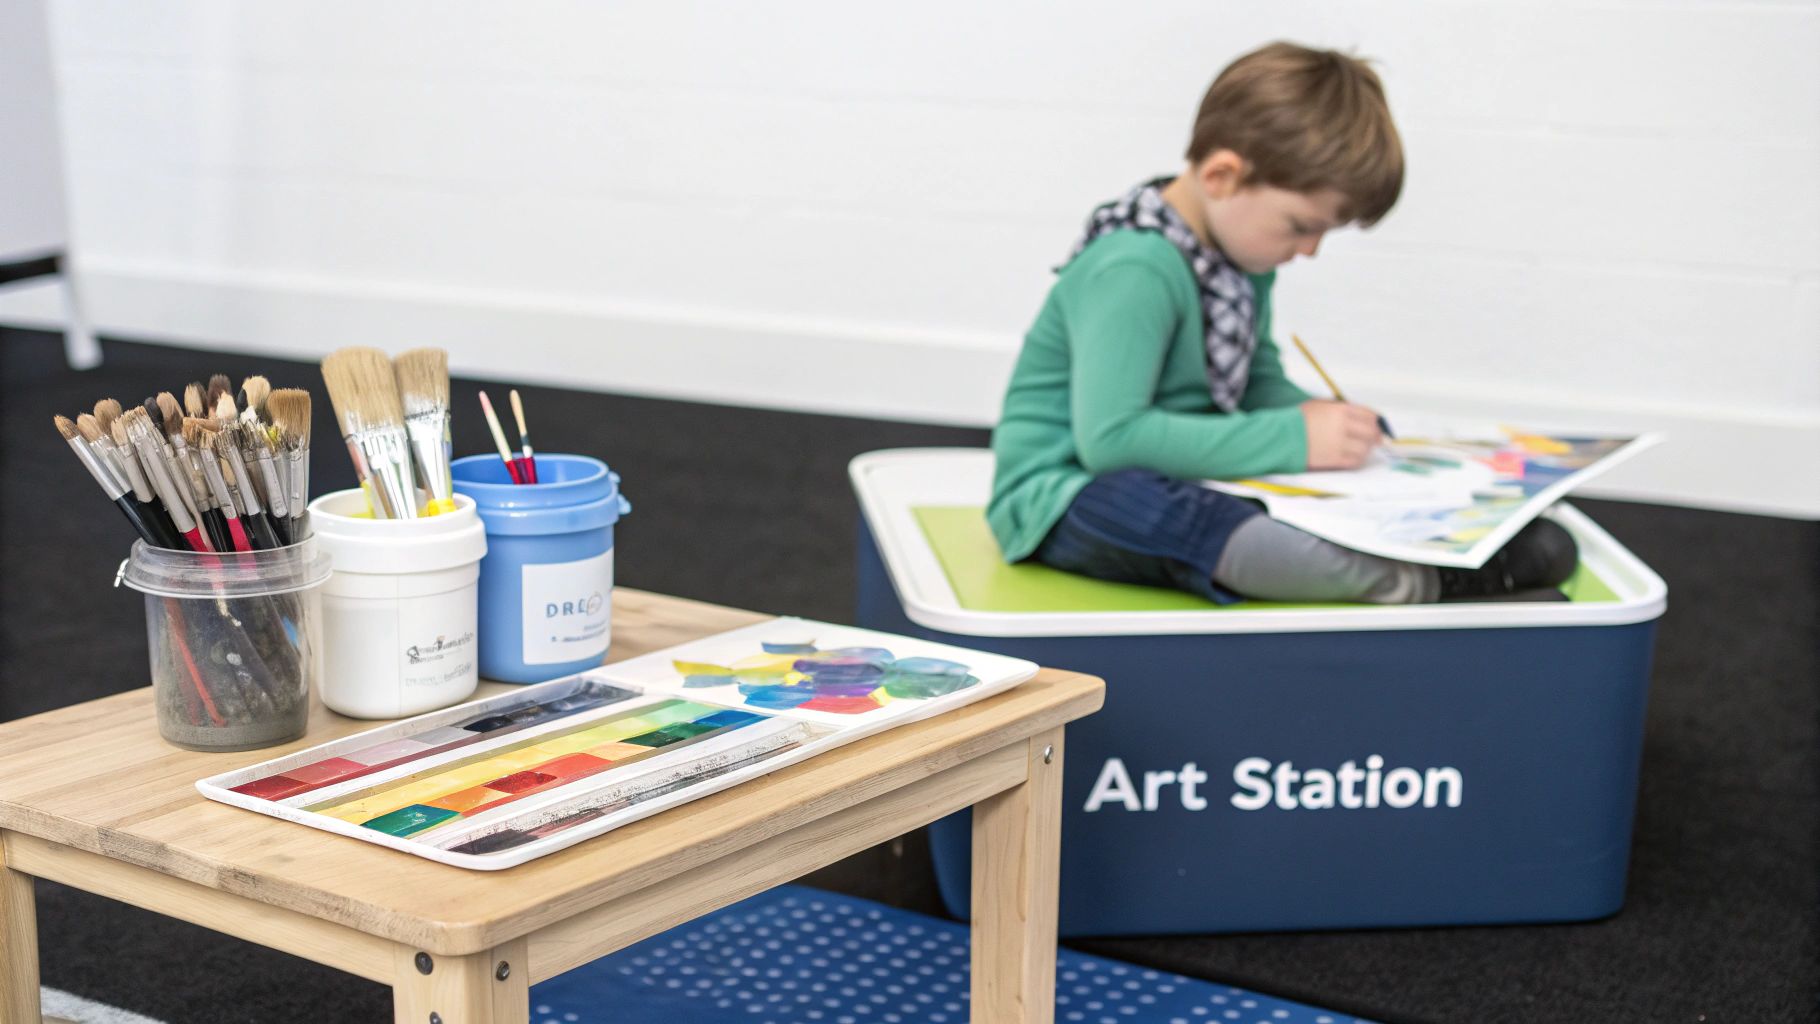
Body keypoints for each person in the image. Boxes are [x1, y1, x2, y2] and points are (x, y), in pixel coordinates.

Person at [987, 41, 1574, 604]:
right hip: (1065, 492)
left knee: (1260, 502)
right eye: (1300, 226)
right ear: (1222, 176)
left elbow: (1254, 382)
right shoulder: (1135, 267)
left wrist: (1321, 421)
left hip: (1180, 465)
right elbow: (1111, 443)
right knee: (1168, 515)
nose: (1310, 250)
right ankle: (1417, 580)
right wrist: (1296, 437)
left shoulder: (1240, 262)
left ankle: (1415, 549)